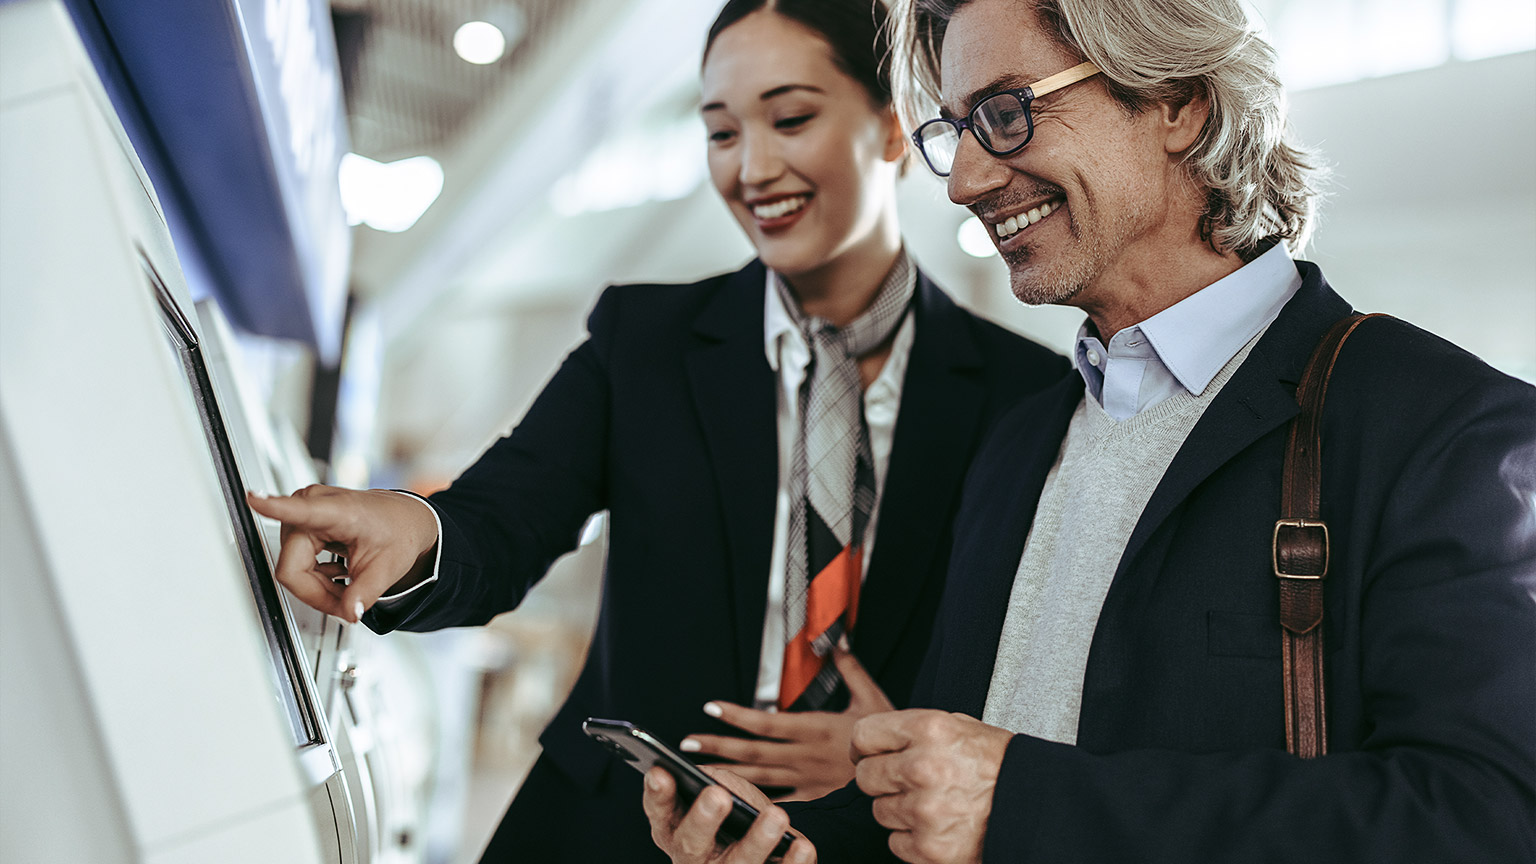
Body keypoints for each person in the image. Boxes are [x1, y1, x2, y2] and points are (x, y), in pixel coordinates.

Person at [642, 0, 1536, 861]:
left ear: (1178, 101)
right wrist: (799, 847)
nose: (962, 181)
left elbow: (1484, 819)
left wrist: (1021, 802)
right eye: (954, 130)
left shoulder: (1445, 432)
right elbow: (951, 800)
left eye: (1006, 113)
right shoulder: (1022, 441)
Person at [248, 0, 1067, 861]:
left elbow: (1032, 658)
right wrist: (412, 526)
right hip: (610, 829)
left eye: (790, 118)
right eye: (720, 133)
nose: (752, 167)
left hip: (857, 844)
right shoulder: (644, 342)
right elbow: (508, 513)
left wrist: (891, 747)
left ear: (893, 128)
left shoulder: (1028, 395)